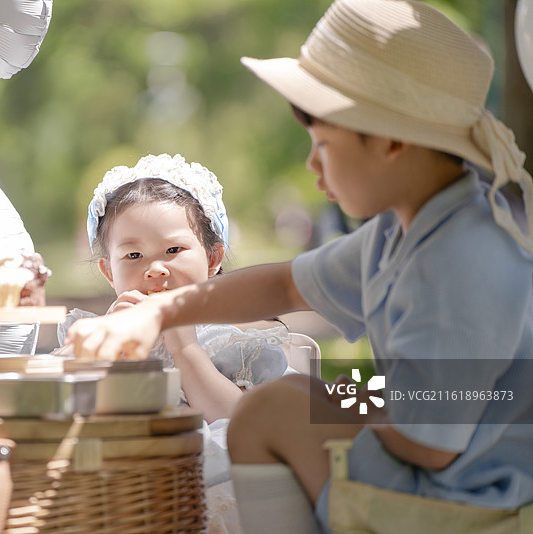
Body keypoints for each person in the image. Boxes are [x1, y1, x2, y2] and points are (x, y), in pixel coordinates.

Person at [65, 1, 533, 532]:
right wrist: (162, 312)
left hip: (464, 499)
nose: (311, 164)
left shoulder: (461, 262)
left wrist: (325, 403)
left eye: (324, 145)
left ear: (391, 142)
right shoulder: (397, 234)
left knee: (275, 412)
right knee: (281, 403)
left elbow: (426, 441)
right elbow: (283, 283)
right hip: (439, 464)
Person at [58, 152, 292, 532]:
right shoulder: (96, 332)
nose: (155, 268)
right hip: (116, 484)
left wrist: (185, 350)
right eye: (133, 255)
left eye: (173, 251)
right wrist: (107, 358)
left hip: (204, 484)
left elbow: (241, 426)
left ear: (213, 258)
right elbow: (59, 407)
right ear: (108, 270)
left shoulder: (230, 343)